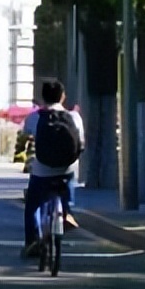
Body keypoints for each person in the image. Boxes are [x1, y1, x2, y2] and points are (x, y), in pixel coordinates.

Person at [21, 79, 84, 258]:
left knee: (33, 204)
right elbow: (82, 143)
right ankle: (68, 211)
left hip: (42, 171)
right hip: (67, 168)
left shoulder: (34, 117)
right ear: (62, 96)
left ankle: (33, 241)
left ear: (42, 97)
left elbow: (25, 135)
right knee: (69, 177)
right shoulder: (74, 117)